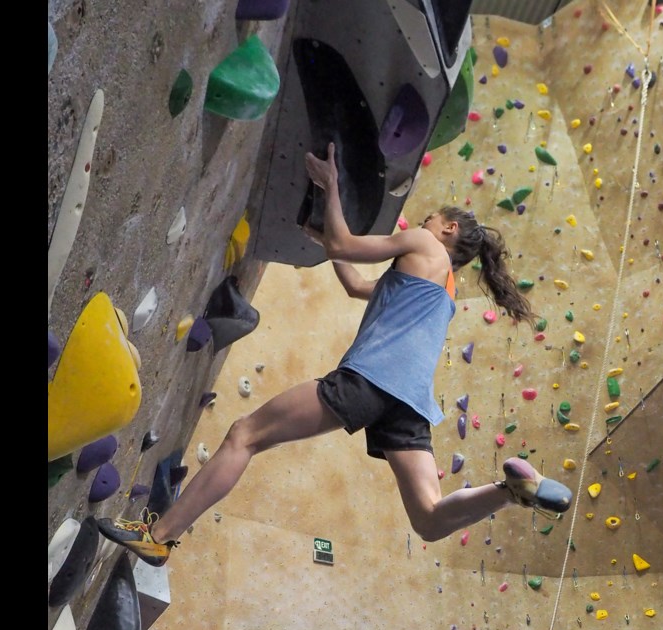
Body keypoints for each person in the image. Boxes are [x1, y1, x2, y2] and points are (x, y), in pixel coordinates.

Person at [98, 142, 573, 566]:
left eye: (431, 219)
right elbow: (353, 283)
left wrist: (331, 187)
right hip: (408, 404)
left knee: (245, 435)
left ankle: (160, 536)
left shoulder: (426, 244)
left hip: (370, 380)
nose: (423, 223)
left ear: (447, 229)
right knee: (428, 520)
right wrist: (326, 240)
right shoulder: (441, 290)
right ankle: (509, 493)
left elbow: (346, 242)